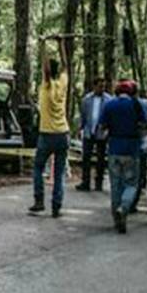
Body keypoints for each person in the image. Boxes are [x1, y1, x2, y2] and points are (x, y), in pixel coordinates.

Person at [29, 37, 70, 218]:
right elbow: (66, 66)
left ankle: (39, 201)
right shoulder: (62, 83)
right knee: (59, 172)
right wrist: (60, 44)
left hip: (47, 135)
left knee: (38, 168)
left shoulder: (47, 86)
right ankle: (56, 206)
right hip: (63, 134)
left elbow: (46, 69)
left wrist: (44, 44)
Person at [99, 79, 147, 234]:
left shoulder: (109, 105)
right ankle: (124, 207)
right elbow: (144, 126)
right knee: (131, 183)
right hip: (132, 150)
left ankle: (116, 218)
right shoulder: (136, 104)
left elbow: (102, 128)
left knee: (115, 184)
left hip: (114, 149)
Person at [75, 77, 111, 192]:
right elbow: (83, 116)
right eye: (100, 86)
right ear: (94, 86)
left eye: (104, 86)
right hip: (88, 132)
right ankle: (85, 182)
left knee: (101, 159)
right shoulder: (87, 99)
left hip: (101, 133)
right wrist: (79, 128)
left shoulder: (108, 100)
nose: (102, 88)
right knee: (86, 158)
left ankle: (98, 183)